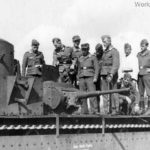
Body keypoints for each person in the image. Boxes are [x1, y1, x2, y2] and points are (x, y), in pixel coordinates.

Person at [77, 43, 99, 114]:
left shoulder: (93, 57)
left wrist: (95, 77)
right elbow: (78, 69)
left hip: (90, 77)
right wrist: (78, 78)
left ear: (88, 49)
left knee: (92, 94)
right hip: (81, 77)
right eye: (82, 50)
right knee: (82, 95)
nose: (83, 51)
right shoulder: (80, 58)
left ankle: (94, 111)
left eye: (85, 50)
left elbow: (97, 68)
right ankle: (84, 111)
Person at [100, 35, 120, 115]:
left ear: (109, 41)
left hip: (111, 75)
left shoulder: (114, 51)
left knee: (113, 92)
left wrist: (111, 74)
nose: (103, 44)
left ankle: (114, 109)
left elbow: (116, 64)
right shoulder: (104, 52)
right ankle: (105, 110)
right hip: (104, 74)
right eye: (103, 42)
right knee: (105, 92)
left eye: (104, 42)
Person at [137, 39, 150, 115]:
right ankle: (142, 108)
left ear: (146, 45)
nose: (141, 47)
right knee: (141, 92)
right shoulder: (138, 54)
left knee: (149, 92)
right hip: (140, 75)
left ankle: (149, 109)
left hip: (147, 75)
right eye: (140, 46)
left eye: (143, 46)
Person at [94, 43, 103, 112]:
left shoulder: (104, 56)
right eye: (97, 50)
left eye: (99, 50)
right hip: (96, 77)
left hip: (102, 77)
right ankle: (96, 109)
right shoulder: (94, 57)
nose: (98, 52)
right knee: (96, 94)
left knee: (103, 93)